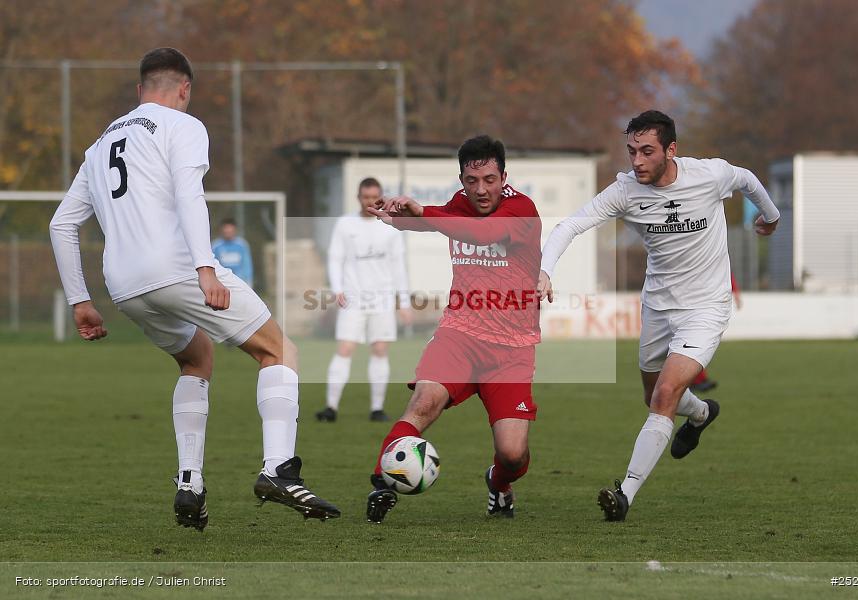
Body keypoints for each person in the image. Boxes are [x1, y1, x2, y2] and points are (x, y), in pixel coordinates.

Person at [48, 47, 339, 531]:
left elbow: (62, 224)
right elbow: (190, 194)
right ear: (184, 89)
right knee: (279, 350)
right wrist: (206, 267)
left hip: (123, 284)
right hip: (177, 268)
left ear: (141, 91)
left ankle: (190, 481)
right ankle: (278, 470)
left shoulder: (100, 146)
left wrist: (81, 300)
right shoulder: (183, 125)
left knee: (196, 358)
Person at [538, 110, 779, 521]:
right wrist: (544, 270)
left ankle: (625, 494)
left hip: (706, 307)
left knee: (665, 395)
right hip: (657, 308)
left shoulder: (709, 175)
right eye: (631, 151)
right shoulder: (625, 191)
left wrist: (769, 217)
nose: (636, 161)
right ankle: (702, 413)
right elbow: (569, 227)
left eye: (646, 151)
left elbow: (747, 179)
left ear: (671, 150)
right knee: (652, 397)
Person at [365, 135, 541, 523]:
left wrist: (422, 211)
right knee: (424, 403)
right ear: (462, 179)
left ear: (504, 176)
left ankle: (498, 484)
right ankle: (383, 482)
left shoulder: (521, 208)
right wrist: (400, 217)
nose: (481, 190)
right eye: (472, 180)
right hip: (459, 335)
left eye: (490, 180)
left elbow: (481, 233)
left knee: (513, 454)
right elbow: (434, 223)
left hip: (511, 350)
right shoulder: (460, 204)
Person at [314, 177, 412, 423]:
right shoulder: (346, 224)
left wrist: (404, 301)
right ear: (359, 197)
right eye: (365, 197)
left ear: (381, 198)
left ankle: (377, 408)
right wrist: (337, 288)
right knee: (345, 348)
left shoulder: (391, 225)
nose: (369, 201)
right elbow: (335, 258)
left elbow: (399, 266)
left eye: (374, 197)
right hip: (353, 298)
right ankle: (331, 407)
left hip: (383, 299)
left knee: (380, 350)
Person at [691, 272, 742, 393]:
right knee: (694, 344)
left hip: (704, 304)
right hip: (690, 304)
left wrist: (736, 295)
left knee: (697, 344)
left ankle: (698, 380)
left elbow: (727, 273)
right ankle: (695, 380)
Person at [212, 218, 254, 287]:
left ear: (235, 230)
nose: (228, 231)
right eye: (226, 229)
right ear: (222, 230)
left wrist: (248, 282)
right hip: (222, 282)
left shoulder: (242, 245)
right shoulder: (215, 246)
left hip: (240, 282)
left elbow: (247, 265)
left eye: (230, 229)